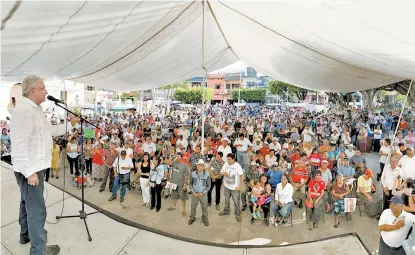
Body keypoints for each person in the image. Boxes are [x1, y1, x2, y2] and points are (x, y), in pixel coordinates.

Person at [10, 75, 67, 255]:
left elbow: (46, 133)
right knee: (37, 210)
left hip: (34, 167)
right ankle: (38, 250)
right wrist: (30, 172)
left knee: (26, 202)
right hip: (31, 169)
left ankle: (27, 234)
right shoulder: (24, 111)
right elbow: (19, 145)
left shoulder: (34, 109)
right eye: (43, 88)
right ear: (32, 90)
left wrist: (68, 127)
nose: (46, 92)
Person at [219, 153, 244, 222]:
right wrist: (224, 173)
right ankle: (226, 211)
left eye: (229, 160)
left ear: (233, 159)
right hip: (226, 186)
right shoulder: (225, 164)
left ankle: (238, 214)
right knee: (226, 200)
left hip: (235, 187)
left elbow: (242, 176)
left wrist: (240, 186)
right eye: (227, 159)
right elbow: (221, 172)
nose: (228, 161)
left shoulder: (237, 166)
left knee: (236, 201)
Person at [188, 159, 211, 226]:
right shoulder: (192, 174)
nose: (199, 167)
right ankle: (192, 218)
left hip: (203, 194)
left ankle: (205, 219)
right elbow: (190, 184)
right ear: (196, 166)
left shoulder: (207, 175)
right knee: (193, 207)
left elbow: (208, 186)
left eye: (201, 166)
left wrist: (203, 193)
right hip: (194, 194)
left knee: (204, 207)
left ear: (203, 167)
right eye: (198, 165)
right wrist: (194, 192)